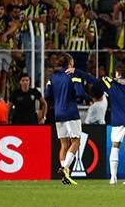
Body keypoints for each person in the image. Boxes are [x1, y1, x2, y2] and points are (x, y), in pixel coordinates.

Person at [44, 54, 87, 185]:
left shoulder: (53, 77)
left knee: (64, 144)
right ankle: (65, 168)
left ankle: (65, 175)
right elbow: (80, 93)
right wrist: (88, 98)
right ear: (70, 63)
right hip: (71, 112)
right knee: (76, 141)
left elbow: (47, 95)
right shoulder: (73, 75)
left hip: (58, 113)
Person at [102, 63, 125, 185]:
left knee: (115, 146)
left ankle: (113, 178)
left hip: (118, 120)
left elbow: (103, 80)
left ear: (118, 74)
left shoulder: (113, 85)